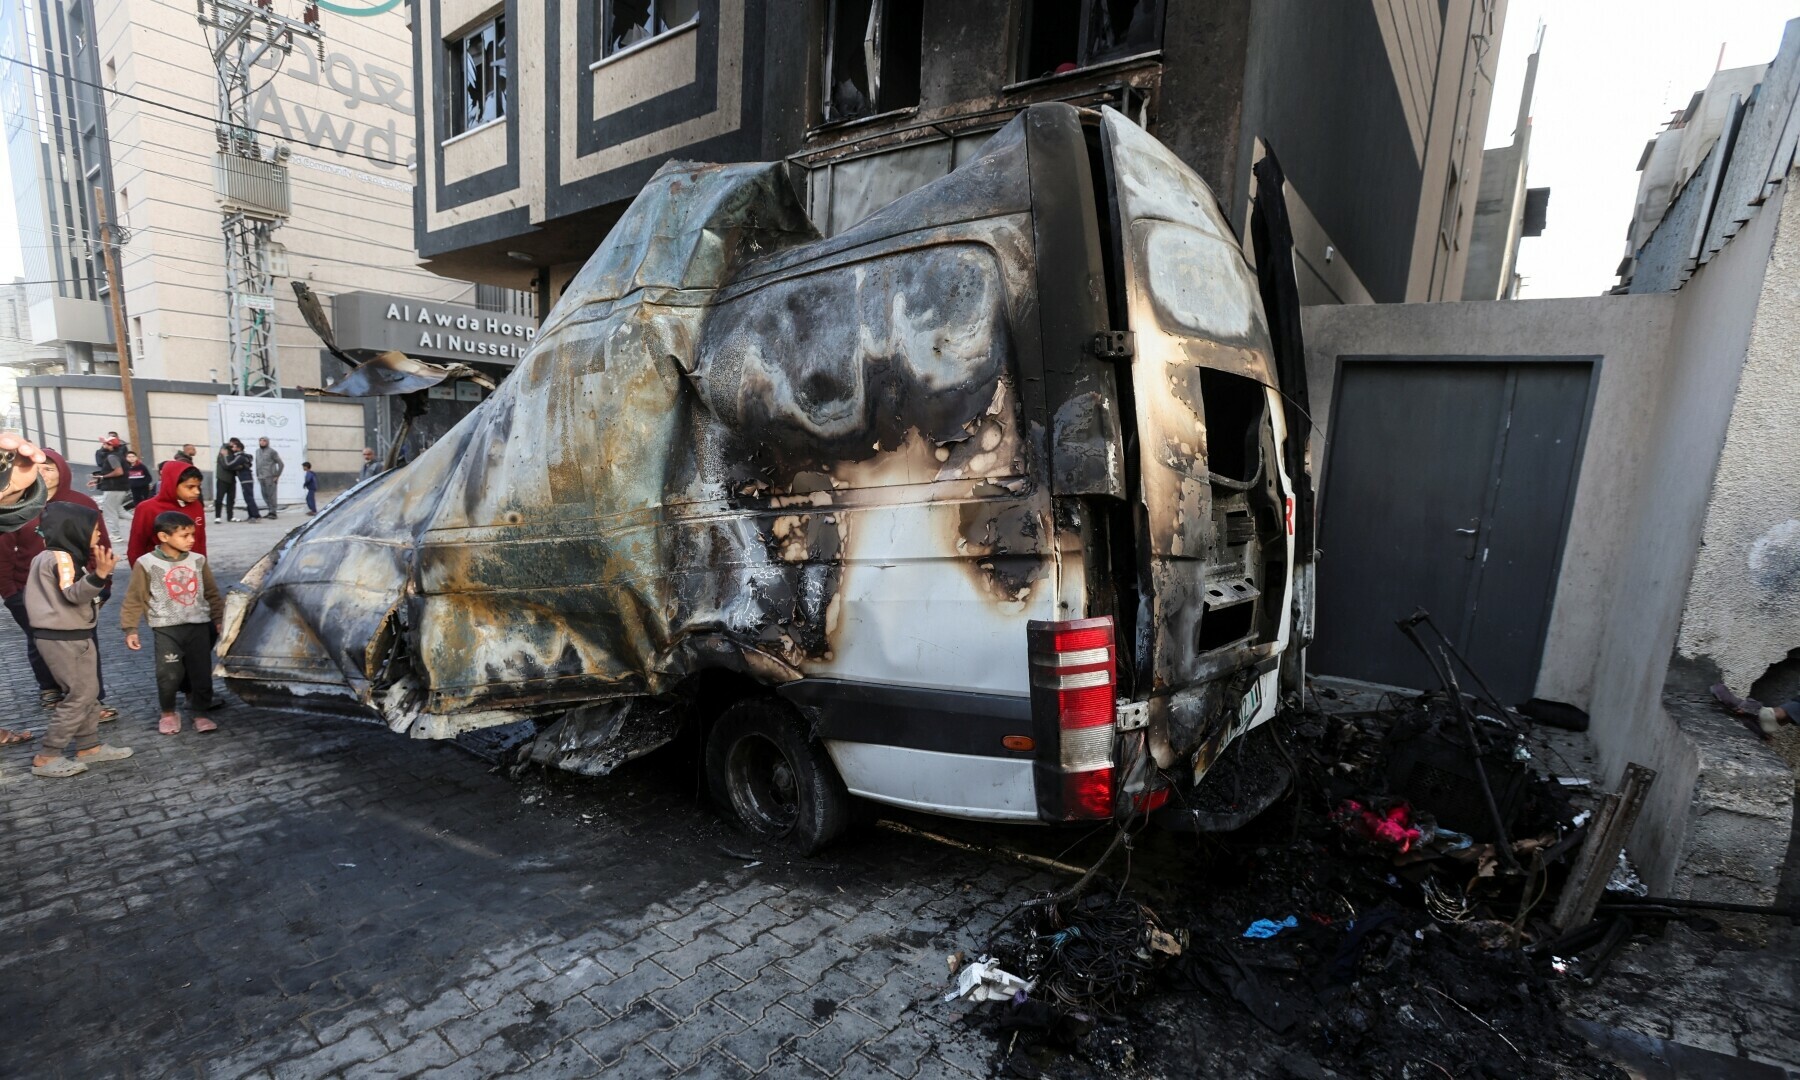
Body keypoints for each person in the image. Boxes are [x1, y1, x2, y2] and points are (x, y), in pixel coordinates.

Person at [0, 448, 114, 739]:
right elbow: (4, 554)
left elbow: (99, 547)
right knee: (40, 643)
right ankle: (54, 694)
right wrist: (11, 594)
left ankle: (91, 701)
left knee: (85, 643)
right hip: (29, 592)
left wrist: (101, 584)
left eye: (50, 468)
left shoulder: (81, 504)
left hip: (78, 588)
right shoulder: (16, 505)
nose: (43, 473)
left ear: (63, 471)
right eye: (38, 468)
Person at [25, 502, 131, 778]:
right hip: (64, 638)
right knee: (79, 695)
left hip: (71, 635)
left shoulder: (51, 556)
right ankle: (47, 755)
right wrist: (100, 576)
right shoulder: (61, 558)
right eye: (94, 529)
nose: (98, 535)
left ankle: (89, 746)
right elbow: (72, 594)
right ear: (75, 530)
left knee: (87, 692)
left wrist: (95, 595)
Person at [122, 511, 223, 736]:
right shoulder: (146, 563)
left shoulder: (198, 560)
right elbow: (134, 597)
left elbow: (212, 593)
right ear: (163, 537)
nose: (191, 539)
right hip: (166, 628)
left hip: (198, 625)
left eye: (192, 534)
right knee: (168, 673)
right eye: (184, 535)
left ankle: (200, 713)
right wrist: (130, 628)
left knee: (201, 672)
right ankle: (168, 713)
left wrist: (219, 619)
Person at [127, 461, 207, 567]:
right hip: (159, 572)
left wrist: (202, 568)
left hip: (191, 570)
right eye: (190, 487)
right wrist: (141, 574)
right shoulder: (147, 508)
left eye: (198, 487)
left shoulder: (196, 506)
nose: (197, 492)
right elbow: (136, 546)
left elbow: (201, 541)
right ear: (172, 484)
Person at [89, 435, 131, 543]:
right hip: (118, 488)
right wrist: (99, 480)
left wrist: (102, 477)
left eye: (106, 444)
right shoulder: (118, 455)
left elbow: (119, 471)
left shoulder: (112, 457)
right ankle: (142, 521)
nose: (103, 445)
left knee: (109, 512)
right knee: (119, 511)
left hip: (114, 489)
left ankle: (115, 535)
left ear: (111, 446)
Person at [226, 438, 261, 521]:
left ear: (238, 448)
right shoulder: (244, 456)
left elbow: (229, 465)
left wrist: (226, 457)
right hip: (246, 479)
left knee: (248, 497)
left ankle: (255, 515)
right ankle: (251, 515)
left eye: (233, 447)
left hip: (245, 479)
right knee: (248, 497)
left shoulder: (240, 457)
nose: (232, 449)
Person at [255, 436, 284, 520]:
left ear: (267, 442)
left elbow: (281, 464)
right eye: (260, 441)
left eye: (264, 441)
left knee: (271, 495)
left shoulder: (272, 452)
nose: (262, 442)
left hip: (270, 477)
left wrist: (277, 475)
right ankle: (270, 510)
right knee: (265, 495)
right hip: (261, 477)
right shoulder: (257, 451)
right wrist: (257, 475)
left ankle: (273, 512)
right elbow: (257, 463)